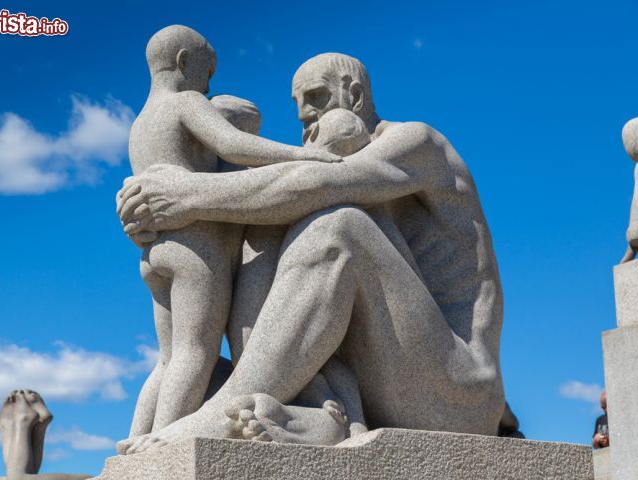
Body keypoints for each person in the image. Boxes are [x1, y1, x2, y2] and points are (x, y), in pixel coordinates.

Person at [117, 52, 506, 452]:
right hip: (378, 383)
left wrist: (187, 195)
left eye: (317, 98)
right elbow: (284, 193)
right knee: (264, 231)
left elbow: (321, 182)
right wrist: (163, 222)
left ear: (354, 95)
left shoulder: (417, 143)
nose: (306, 117)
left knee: (338, 229)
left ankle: (221, 412)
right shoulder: (330, 167)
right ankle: (318, 413)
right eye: (299, 107)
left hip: (457, 393)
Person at [124, 25, 342, 441]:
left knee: (166, 358)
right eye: (208, 71)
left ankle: (135, 438)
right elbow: (232, 145)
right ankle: (163, 441)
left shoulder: (140, 123)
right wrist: (303, 155)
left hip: (155, 252)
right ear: (185, 62)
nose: (210, 85)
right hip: (196, 250)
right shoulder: (186, 102)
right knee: (195, 352)